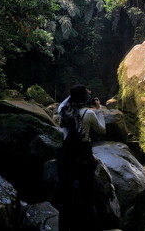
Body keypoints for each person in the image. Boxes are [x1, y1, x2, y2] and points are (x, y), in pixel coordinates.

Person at [57, 84, 106, 230]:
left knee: (66, 194)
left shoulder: (64, 111)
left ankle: (65, 226)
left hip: (66, 154)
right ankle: (88, 225)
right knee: (87, 193)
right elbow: (102, 130)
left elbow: (65, 102)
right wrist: (99, 110)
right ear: (85, 98)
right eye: (88, 93)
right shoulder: (89, 114)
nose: (90, 93)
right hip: (83, 154)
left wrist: (74, 95)